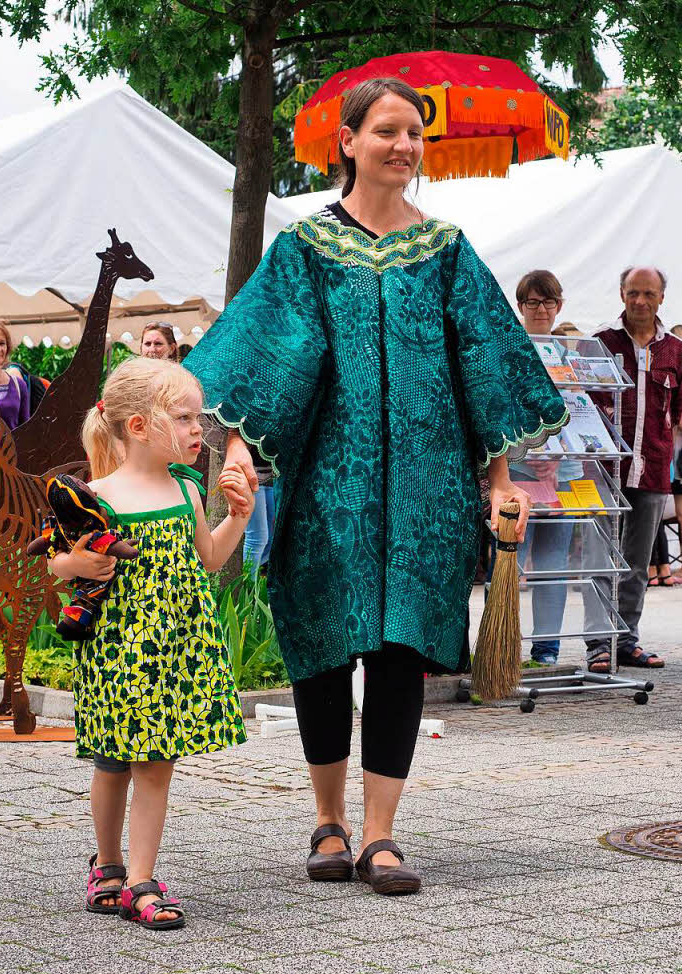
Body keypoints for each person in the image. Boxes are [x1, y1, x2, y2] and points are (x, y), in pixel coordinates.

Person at [185, 78, 566, 895]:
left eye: (414, 135)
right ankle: (327, 820)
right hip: (330, 484)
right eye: (387, 131)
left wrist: (499, 479)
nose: (403, 146)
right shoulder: (306, 251)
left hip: (427, 493)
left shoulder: (448, 252)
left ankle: (382, 835)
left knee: (399, 654)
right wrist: (241, 453)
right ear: (348, 142)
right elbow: (261, 361)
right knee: (323, 648)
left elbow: (484, 376)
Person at [48, 357, 252, 930]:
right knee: (112, 760)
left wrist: (239, 516)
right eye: (185, 418)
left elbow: (209, 558)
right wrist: (78, 562)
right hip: (118, 648)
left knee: (156, 763)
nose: (198, 430)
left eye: (199, 418)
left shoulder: (186, 488)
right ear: (138, 427)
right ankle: (108, 868)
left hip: (176, 645)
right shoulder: (97, 497)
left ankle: (140, 879)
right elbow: (57, 565)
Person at [586, 267, 682, 672]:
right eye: (632, 293)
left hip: (654, 467)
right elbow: (582, 405)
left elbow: (677, 415)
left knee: (637, 563)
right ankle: (596, 645)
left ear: (662, 297)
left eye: (648, 294)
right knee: (599, 559)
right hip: (605, 468)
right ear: (621, 293)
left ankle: (626, 640)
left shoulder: (676, 350)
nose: (640, 301)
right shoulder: (600, 342)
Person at [506, 271, 582, 664]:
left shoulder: (570, 354)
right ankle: (501, 648)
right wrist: (532, 454)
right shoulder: (508, 349)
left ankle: (546, 650)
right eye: (532, 302)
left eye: (548, 301)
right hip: (518, 474)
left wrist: (556, 455)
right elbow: (501, 412)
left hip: (563, 476)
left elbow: (579, 413)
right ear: (520, 306)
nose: (540, 309)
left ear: (559, 306)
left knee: (554, 566)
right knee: (509, 563)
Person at [243, 452, 275, 579]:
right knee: (258, 537)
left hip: (272, 475)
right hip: (252, 474)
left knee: (271, 536)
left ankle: (258, 581)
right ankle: (248, 591)